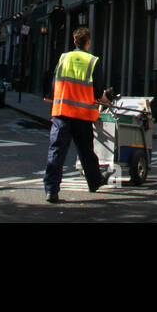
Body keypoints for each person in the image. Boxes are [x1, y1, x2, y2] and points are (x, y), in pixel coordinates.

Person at [43, 27, 108, 203]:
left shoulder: (64, 58)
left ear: (74, 41)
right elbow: (97, 92)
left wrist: (51, 99)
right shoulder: (93, 61)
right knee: (86, 151)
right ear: (88, 42)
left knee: (56, 151)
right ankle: (94, 182)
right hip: (82, 114)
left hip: (62, 113)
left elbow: (54, 81)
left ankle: (51, 190)